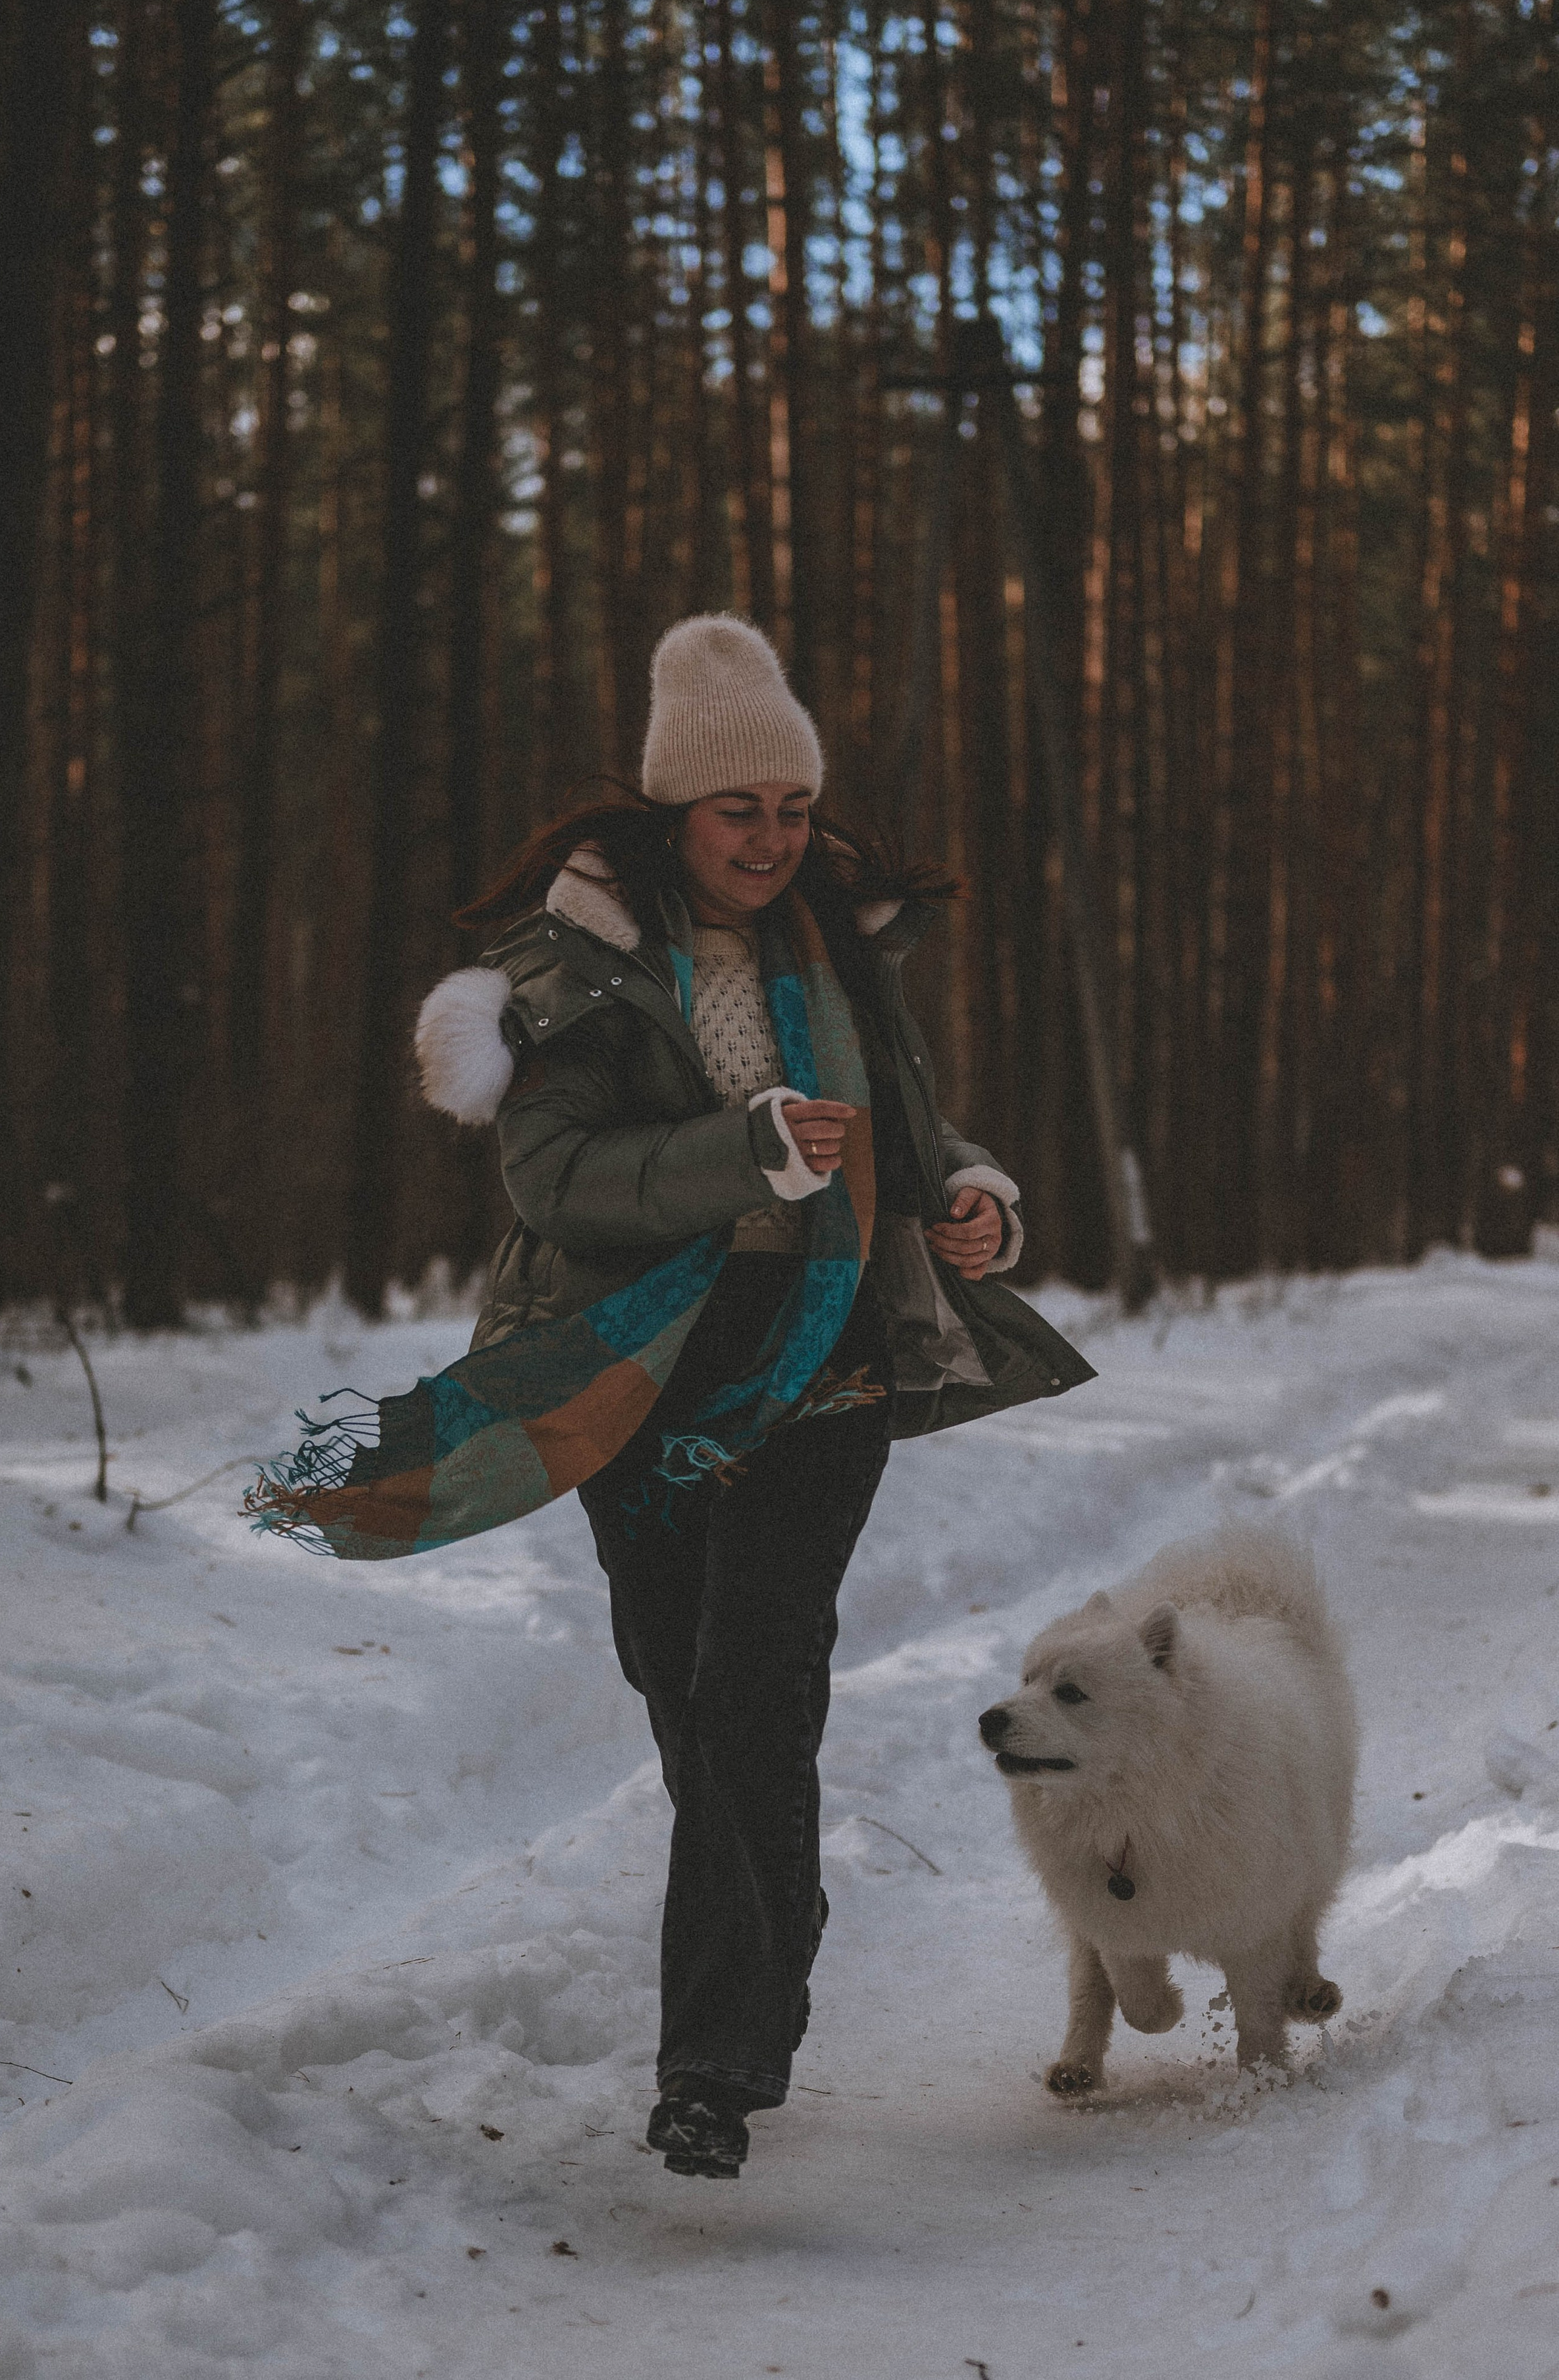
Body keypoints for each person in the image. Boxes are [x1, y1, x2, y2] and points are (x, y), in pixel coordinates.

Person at [251, 615, 1093, 2179]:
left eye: (792, 809)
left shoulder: (835, 947)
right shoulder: (565, 971)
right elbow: (556, 1179)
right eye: (738, 812)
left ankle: (709, 2066)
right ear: (671, 815)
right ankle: (770, 1910)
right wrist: (747, 1155)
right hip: (637, 1363)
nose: (773, 841)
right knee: (681, 1688)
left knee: (758, 1680)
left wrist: (971, 1191)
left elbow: (905, 1130)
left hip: (824, 1344)